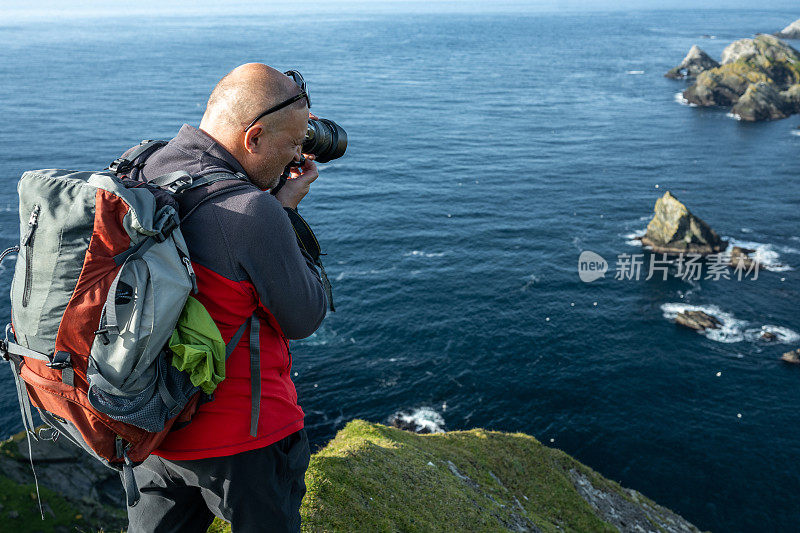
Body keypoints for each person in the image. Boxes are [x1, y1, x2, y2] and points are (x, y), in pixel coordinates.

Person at [122, 63, 328, 532]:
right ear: (253, 138)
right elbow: (304, 315)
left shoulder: (143, 165)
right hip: (244, 439)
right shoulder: (252, 211)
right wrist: (286, 214)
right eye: (294, 143)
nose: (298, 156)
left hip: (153, 424)